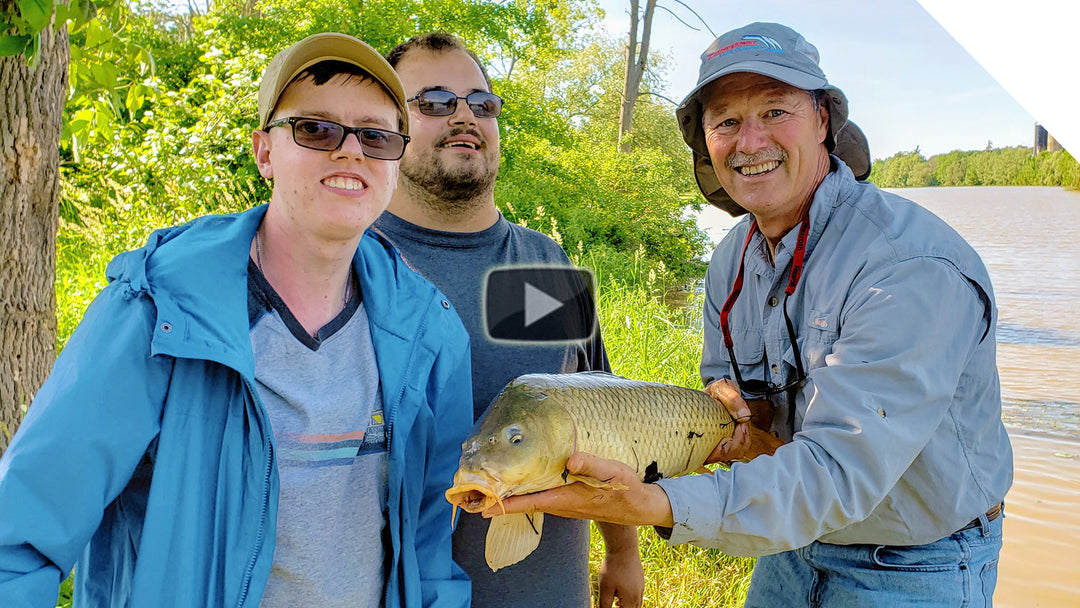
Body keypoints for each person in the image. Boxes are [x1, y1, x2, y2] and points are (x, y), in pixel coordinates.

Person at [489, 22, 1013, 607]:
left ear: (823, 121)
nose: (750, 141)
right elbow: (747, 405)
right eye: (726, 121)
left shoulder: (909, 266)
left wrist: (653, 505)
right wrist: (738, 413)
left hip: (916, 561)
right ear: (706, 142)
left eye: (774, 110)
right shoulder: (731, 259)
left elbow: (841, 469)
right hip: (790, 546)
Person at [0, 32, 473, 608]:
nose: (351, 151)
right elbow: (18, 540)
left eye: (376, 137)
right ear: (265, 152)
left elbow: (429, 553)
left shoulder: (430, 332)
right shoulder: (158, 311)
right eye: (316, 129)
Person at [373, 33, 644, 608]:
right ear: (385, 125)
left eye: (481, 103)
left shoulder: (541, 266)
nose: (465, 116)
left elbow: (602, 414)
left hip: (544, 591)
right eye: (435, 101)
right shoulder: (350, 261)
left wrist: (623, 551)